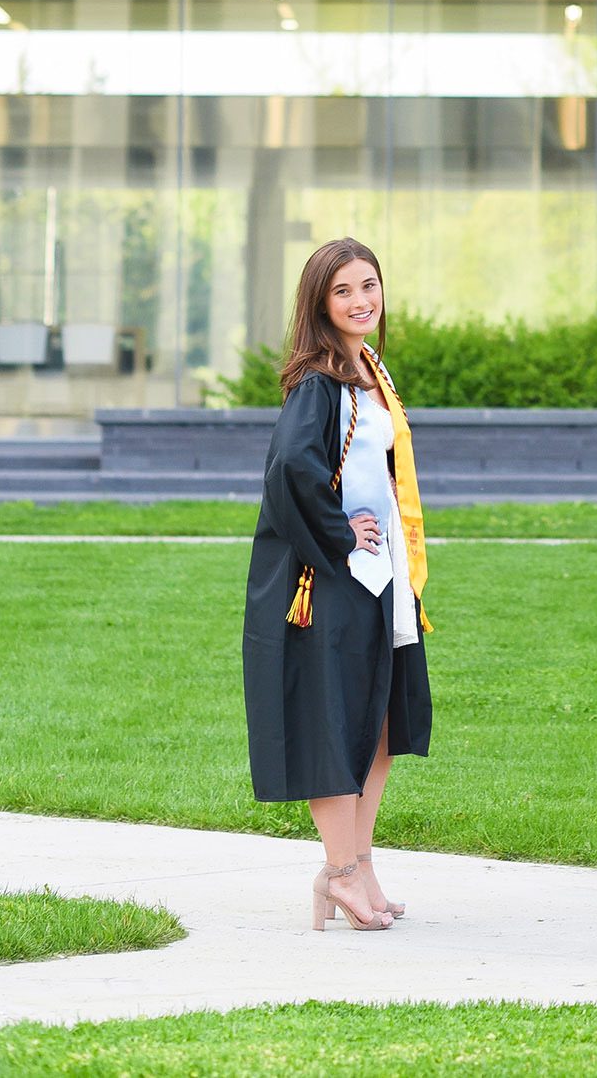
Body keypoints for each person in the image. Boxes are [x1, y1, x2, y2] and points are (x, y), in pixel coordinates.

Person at [242, 237, 433, 932]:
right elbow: (293, 467)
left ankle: (355, 865)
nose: (361, 301)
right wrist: (340, 533)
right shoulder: (320, 380)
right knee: (337, 723)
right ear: (320, 304)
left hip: (380, 579)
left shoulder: (366, 369)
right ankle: (342, 873)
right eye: (343, 291)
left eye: (369, 286)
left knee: (377, 723)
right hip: (330, 579)